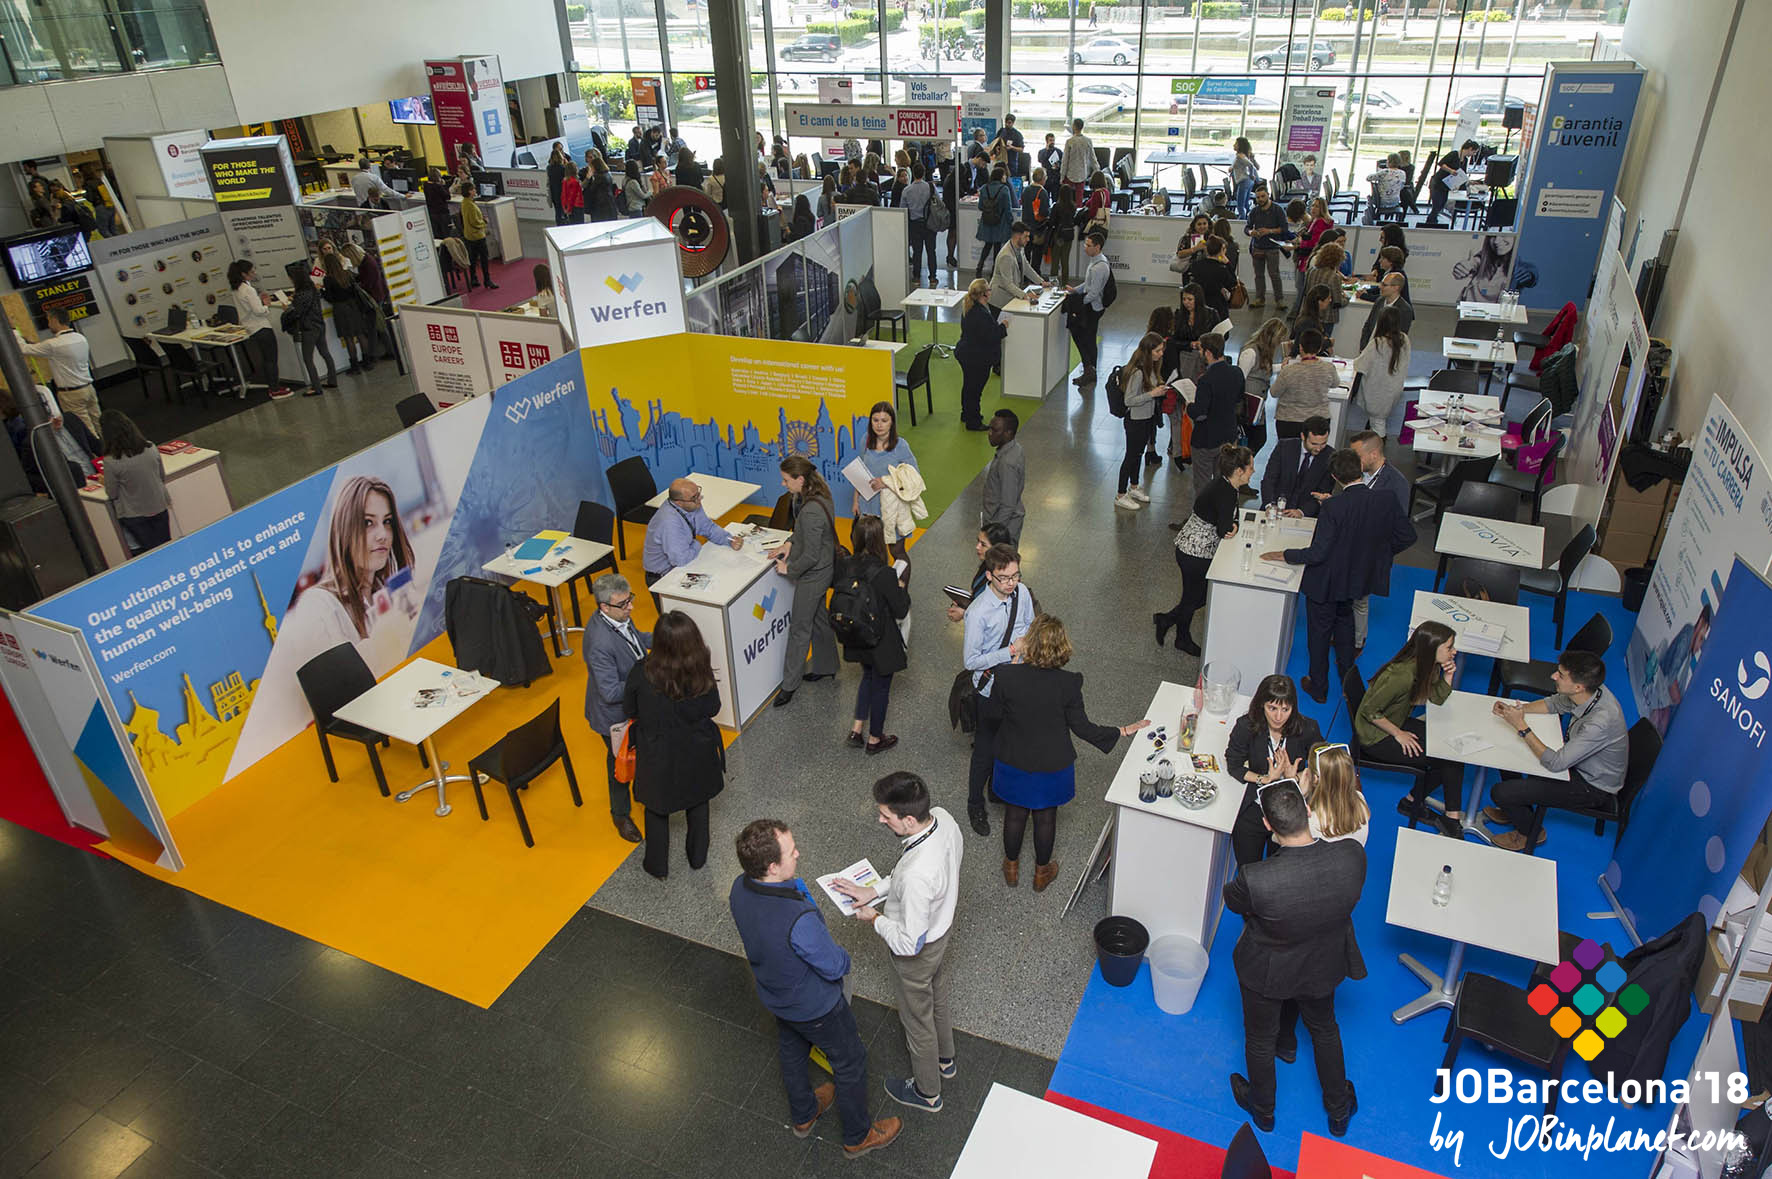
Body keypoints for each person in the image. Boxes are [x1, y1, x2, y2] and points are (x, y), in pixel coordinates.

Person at [728, 820, 902, 1159]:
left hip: (776, 994)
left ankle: (804, 1113)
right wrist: (845, 956)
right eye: (791, 851)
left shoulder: (739, 887)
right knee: (850, 1061)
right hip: (816, 1007)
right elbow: (834, 965)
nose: (798, 854)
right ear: (772, 866)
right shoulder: (797, 919)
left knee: (792, 1048)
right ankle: (858, 1136)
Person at [1225, 780, 1364, 1137]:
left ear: (1268, 826)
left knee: (1260, 1039)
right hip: (1323, 960)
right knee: (1325, 1030)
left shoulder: (1257, 878)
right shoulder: (1352, 854)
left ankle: (1263, 1112)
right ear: (1308, 811)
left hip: (1268, 968)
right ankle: (1338, 1112)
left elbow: (1234, 902)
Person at [829, 772, 962, 1113]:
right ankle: (946, 1060)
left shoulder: (919, 875)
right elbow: (906, 874)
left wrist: (874, 918)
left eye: (885, 815)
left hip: (919, 953)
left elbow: (908, 944)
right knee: (938, 996)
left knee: (918, 1022)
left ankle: (927, 1092)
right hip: (942, 932)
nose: (880, 820)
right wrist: (873, 890)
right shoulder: (942, 819)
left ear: (908, 820)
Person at [992, 614, 1147, 891]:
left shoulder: (1005, 676)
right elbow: (1082, 728)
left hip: (1013, 757)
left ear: (1030, 643)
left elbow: (992, 715)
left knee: (1014, 814)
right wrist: (1122, 731)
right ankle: (1041, 874)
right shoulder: (1069, 683)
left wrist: (1014, 667)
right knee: (1046, 817)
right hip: (1052, 763)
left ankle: (1011, 868)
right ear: (1062, 646)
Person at [1264, 450, 1415, 703]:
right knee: (1346, 628)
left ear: (1334, 477)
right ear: (1360, 468)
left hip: (1326, 584)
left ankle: (1319, 687)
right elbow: (1407, 536)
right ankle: (1348, 681)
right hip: (1357, 581)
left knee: (1319, 636)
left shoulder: (1333, 507)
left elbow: (1318, 553)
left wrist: (1285, 554)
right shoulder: (1386, 499)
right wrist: (1376, 554)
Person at [1485, 650, 1631, 852]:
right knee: (1508, 753)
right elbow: (1555, 703)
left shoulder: (1601, 722)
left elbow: (1556, 763)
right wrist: (1518, 711)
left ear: (1578, 687)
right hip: (1577, 762)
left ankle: (1530, 832)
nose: (1553, 676)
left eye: (1561, 675)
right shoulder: (1590, 691)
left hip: (1591, 786)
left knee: (1500, 792)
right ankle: (1517, 811)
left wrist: (1521, 726)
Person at [623, 611, 723, 878]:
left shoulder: (641, 672)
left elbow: (629, 709)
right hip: (697, 750)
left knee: (656, 809)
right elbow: (713, 708)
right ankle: (698, 857)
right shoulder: (701, 671)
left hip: (657, 754)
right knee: (698, 802)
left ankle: (657, 866)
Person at [280, 475, 414, 657]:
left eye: (387, 521)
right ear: (344, 530)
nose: (383, 534)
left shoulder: (384, 595)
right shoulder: (317, 606)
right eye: (368, 523)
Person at [1357, 620, 1466, 838]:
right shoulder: (1401, 676)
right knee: (1448, 758)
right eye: (1449, 647)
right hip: (1376, 736)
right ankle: (1450, 820)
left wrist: (1448, 676)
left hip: (1395, 722)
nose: (1454, 651)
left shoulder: (1428, 666)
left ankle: (1413, 802)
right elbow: (1370, 711)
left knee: (1450, 754)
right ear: (1432, 649)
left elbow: (1437, 698)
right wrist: (1398, 734)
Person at [961, 543, 1034, 837]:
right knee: (985, 749)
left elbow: (1029, 624)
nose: (1011, 583)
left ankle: (996, 790)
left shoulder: (1022, 593)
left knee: (1009, 742)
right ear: (990, 575)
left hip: (1018, 680)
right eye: (1004, 578)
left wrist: (1026, 646)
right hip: (990, 687)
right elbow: (971, 661)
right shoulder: (978, 612)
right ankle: (974, 803)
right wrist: (1010, 651)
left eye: (1015, 575)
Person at [1155, 444, 1253, 656]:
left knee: (1196, 597)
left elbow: (1230, 517)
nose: (1253, 471)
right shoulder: (1226, 492)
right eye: (1250, 468)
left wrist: (1233, 522)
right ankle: (1181, 638)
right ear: (1239, 471)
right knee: (1195, 598)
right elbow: (1225, 529)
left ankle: (1167, 620)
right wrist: (1234, 526)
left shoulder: (1223, 483)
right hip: (1195, 553)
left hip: (1190, 546)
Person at [832, 515, 912, 755]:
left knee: (867, 677)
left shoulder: (845, 564)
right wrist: (901, 588)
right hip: (880, 639)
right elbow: (900, 610)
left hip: (855, 634)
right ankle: (875, 738)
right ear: (879, 540)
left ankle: (857, 729)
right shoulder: (885, 573)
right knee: (881, 687)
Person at [1226, 675, 1326, 865]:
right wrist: (1265, 779)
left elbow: (1322, 766)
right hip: (1254, 810)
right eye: (1272, 708)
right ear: (1261, 705)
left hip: (1291, 812)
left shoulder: (1308, 728)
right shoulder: (1246, 726)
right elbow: (1234, 764)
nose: (1279, 717)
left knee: (1282, 868)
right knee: (1248, 868)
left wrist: (1294, 778)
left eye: (1285, 709)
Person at [580, 574, 648, 845]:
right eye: (623, 604)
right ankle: (620, 815)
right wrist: (648, 680)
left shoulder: (619, 617)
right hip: (615, 718)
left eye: (630, 599)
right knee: (620, 766)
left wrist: (665, 637)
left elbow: (636, 641)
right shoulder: (599, 642)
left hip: (635, 706)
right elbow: (609, 692)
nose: (631, 607)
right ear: (604, 607)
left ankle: (644, 792)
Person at [767, 456, 839, 707]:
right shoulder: (820, 495)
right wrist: (789, 543)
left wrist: (789, 569)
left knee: (799, 629)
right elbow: (803, 532)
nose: (783, 484)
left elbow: (810, 556)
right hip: (824, 569)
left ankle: (789, 685)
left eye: (786, 480)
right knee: (819, 619)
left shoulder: (810, 510)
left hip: (813, 576)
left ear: (800, 479)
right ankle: (826, 666)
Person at [642, 477, 743, 607]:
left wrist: (729, 539)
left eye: (698, 494)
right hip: (663, 576)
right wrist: (696, 544)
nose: (700, 499)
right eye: (694, 497)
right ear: (679, 503)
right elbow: (681, 559)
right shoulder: (669, 522)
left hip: (682, 565)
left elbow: (708, 527)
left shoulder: (692, 505)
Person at [853, 402, 918, 567]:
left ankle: (900, 583)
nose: (879, 425)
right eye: (875, 420)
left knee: (897, 552)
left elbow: (914, 476)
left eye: (884, 420)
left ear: (892, 422)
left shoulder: (901, 446)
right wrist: (856, 501)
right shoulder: (865, 440)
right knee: (869, 551)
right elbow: (861, 471)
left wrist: (886, 482)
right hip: (868, 506)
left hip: (892, 508)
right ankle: (878, 582)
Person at [13, 307, 98, 435]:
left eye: (49, 320)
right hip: (89, 389)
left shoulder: (53, 345)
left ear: (54, 320)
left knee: (86, 430)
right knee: (99, 423)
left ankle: (96, 448)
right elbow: (52, 350)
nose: (48, 324)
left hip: (71, 395)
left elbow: (23, 349)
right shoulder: (80, 337)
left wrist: (13, 330)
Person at [97, 410, 170, 554]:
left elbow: (112, 493)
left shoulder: (111, 461)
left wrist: (105, 481)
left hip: (134, 513)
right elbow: (161, 476)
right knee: (166, 546)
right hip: (159, 504)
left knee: (150, 551)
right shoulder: (151, 447)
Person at [1185, 334, 1245, 502]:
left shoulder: (1206, 380)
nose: (1200, 353)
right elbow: (1239, 399)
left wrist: (1189, 406)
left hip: (1206, 438)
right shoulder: (1237, 372)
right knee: (1224, 480)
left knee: (1203, 483)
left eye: (1201, 350)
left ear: (1208, 353)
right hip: (1228, 435)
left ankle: (1203, 514)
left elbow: (1200, 413)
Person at [1114, 332, 1164, 511]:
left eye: (1162, 350)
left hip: (1147, 418)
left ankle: (1134, 487)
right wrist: (1152, 394)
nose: (1161, 354)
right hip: (1136, 420)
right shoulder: (1137, 372)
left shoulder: (1151, 367)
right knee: (1131, 456)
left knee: (1139, 454)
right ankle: (1120, 495)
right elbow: (1129, 400)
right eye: (1157, 351)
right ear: (1148, 351)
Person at [226, 260, 288, 398]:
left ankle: (273, 386)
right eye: (252, 272)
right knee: (271, 359)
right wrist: (266, 305)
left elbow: (249, 307)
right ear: (244, 274)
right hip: (261, 327)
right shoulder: (248, 289)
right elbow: (259, 311)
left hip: (250, 327)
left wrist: (259, 302)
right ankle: (274, 389)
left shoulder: (236, 289)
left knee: (267, 359)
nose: (254, 274)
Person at [1350, 304, 1411, 439]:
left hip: (1376, 392)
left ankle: (1377, 444)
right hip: (1394, 390)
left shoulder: (1377, 343)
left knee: (1378, 424)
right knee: (1378, 422)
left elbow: (1360, 365)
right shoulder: (1404, 340)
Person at [954, 279, 1004, 432]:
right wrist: (1003, 327)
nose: (990, 291)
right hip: (976, 357)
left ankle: (967, 414)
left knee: (969, 386)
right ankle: (973, 421)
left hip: (966, 353)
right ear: (984, 294)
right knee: (975, 390)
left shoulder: (970, 308)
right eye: (989, 289)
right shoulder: (981, 313)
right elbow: (991, 336)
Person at [1260, 416, 1335, 517]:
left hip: (1306, 515)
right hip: (1274, 509)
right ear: (1303, 436)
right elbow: (1269, 480)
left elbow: (1323, 492)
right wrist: (1270, 505)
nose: (1318, 448)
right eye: (1314, 444)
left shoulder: (1330, 456)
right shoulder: (1284, 447)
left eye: (1323, 444)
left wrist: (1302, 512)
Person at [1270, 330, 1338, 440]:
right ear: (1320, 348)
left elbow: (1274, 392)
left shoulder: (1288, 370)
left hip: (1289, 421)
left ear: (1300, 347)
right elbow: (1335, 383)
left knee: (1288, 449)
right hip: (1319, 420)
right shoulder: (1329, 368)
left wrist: (1282, 370)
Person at [1237, 317, 1288, 459]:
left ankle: (1244, 463)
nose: (1279, 344)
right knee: (1255, 439)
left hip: (1257, 405)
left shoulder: (1263, 351)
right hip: (1247, 406)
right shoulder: (1251, 352)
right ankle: (1242, 464)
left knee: (1258, 439)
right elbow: (1240, 378)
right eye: (1279, 339)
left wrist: (1280, 367)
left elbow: (1263, 369)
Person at [279, 268, 334, 399]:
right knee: (325, 353)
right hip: (319, 324)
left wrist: (287, 309)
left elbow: (297, 312)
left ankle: (316, 387)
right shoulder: (313, 289)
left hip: (308, 328)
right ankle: (332, 380)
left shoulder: (300, 294)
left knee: (308, 358)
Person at [946, 523, 1016, 623]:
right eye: (978, 541)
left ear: (996, 549)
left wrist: (965, 612)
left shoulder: (1003, 581)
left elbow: (995, 617)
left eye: (983, 544)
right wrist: (963, 603)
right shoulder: (987, 565)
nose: (977, 547)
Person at [1303, 743, 1369, 846]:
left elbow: (1281, 838)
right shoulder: (1360, 802)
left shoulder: (1309, 821)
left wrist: (1300, 794)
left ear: (1315, 778)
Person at [1066, 232, 1110, 385]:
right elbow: (1088, 283)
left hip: (1093, 308)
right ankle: (1090, 371)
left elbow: (1093, 293)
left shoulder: (1099, 267)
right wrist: (1075, 290)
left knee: (1083, 337)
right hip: (1092, 306)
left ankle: (1089, 370)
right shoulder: (1096, 262)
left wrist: (1078, 302)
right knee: (1088, 339)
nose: (1085, 247)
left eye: (1088, 245)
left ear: (1097, 247)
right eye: (1085, 244)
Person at [320, 251, 371, 375]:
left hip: (340, 309)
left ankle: (354, 366)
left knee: (348, 338)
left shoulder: (328, 279)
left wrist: (322, 291)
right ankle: (367, 362)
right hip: (353, 306)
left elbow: (330, 298)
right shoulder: (347, 274)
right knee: (360, 334)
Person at [981, 409, 1025, 543]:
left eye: (995, 430)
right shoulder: (1016, 448)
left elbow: (1008, 504)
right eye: (990, 428)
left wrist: (995, 534)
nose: (990, 433)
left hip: (1002, 527)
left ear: (1008, 433)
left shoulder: (1006, 463)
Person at [1244, 184, 1289, 309]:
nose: (1260, 199)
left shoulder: (1278, 210)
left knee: (1274, 274)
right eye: (1258, 197)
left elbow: (1284, 229)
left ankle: (1279, 300)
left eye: (1263, 196)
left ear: (1268, 195)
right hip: (1258, 246)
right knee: (1258, 275)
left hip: (1273, 247)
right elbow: (1247, 227)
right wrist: (1251, 232)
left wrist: (1269, 231)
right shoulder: (1254, 211)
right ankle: (1259, 299)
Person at [989, 221, 1047, 312]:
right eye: (1026, 236)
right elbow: (1008, 284)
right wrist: (1025, 295)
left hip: (1009, 296)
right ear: (1017, 236)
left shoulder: (1020, 248)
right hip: (999, 300)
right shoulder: (1006, 256)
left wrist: (1041, 282)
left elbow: (1027, 268)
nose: (1028, 239)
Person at [1424, 139, 1480, 228]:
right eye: (1474, 152)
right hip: (1438, 183)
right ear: (1470, 149)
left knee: (1441, 204)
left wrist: (1468, 181)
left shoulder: (1465, 160)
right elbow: (1441, 163)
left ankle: (1432, 223)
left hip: (1447, 185)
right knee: (1437, 205)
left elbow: (1462, 174)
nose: (1474, 154)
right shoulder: (1454, 154)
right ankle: (1430, 224)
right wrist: (1450, 171)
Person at [973, 165, 1015, 279]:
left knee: (987, 246)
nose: (1005, 177)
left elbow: (980, 206)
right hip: (999, 223)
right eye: (1004, 175)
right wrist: (1011, 222)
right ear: (1000, 177)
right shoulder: (1004, 189)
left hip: (986, 222)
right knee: (997, 247)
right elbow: (1008, 209)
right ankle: (994, 272)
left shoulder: (984, 188)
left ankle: (979, 267)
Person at [1356, 269, 1414, 351]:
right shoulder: (1379, 301)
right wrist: (1363, 347)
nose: (1380, 286)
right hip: (1369, 349)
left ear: (1395, 288)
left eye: (1384, 285)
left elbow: (1399, 339)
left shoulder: (1405, 310)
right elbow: (1368, 325)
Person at [1187, 235, 1238, 325]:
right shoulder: (1222, 269)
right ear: (1222, 250)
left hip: (1200, 303)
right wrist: (1228, 263)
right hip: (1218, 305)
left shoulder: (1196, 265)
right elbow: (1233, 283)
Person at [902, 163, 936, 285]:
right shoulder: (931, 187)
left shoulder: (906, 190)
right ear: (924, 173)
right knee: (931, 251)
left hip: (914, 224)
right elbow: (937, 202)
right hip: (929, 223)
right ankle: (932, 277)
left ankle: (916, 277)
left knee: (917, 251)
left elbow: (902, 208)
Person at [459, 182, 496, 290]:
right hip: (477, 236)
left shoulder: (464, 202)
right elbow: (474, 222)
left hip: (469, 235)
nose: (475, 191)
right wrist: (484, 222)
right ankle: (487, 280)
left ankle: (473, 278)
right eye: (473, 189)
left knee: (473, 258)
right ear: (469, 191)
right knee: (484, 259)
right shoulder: (471, 205)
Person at [1047, 184, 1078, 286]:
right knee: (1065, 261)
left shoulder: (1057, 206)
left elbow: (1051, 222)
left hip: (1058, 235)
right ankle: (1065, 284)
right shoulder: (1073, 206)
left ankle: (1053, 284)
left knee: (1055, 261)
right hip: (1069, 235)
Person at [1061, 118, 1094, 202]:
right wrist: (1098, 171)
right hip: (1082, 174)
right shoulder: (1088, 141)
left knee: (1067, 198)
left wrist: (1062, 176)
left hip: (1070, 173)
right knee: (1079, 198)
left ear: (1074, 127)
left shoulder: (1069, 141)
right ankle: (1078, 210)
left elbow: (1065, 161)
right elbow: (1092, 158)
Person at [1364, 154, 1406, 222]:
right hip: (1395, 202)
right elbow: (1401, 187)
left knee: (1369, 199)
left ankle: (1372, 218)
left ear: (1389, 161)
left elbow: (1368, 178)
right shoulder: (1403, 173)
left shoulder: (1384, 172)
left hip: (1381, 202)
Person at [1230, 137, 1260, 216]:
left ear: (1240, 145)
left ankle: (1242, 220)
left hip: (1244, 181)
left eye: (1236, 144)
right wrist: (1231, 168)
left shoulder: (1240, 156)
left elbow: (1251, 165)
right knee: (1246, 204)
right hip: (1248, 181)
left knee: (1240, 206)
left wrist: (1251, 174)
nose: (1234, 145)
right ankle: (1249, 218)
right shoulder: (1242, 155)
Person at [422, 167, 454, 239]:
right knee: (445, 234)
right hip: (442, 213)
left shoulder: (426, 185)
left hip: (431, 213)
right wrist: (444, 185)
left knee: (436, 234)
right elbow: (447, 196)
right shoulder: (438, 187)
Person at [546, 144, 568, 224]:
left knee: (558, 211)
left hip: (554, 193)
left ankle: (559, 224)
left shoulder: (549, 168)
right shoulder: (563, 168)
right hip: (563, 192)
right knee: (564, 211)